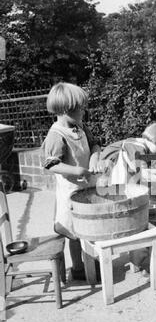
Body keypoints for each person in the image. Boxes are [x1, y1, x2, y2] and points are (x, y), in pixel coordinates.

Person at [42, 82, 101, 280]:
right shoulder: (57, 135)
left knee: (91, 226)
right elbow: (51, 165)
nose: (85, 111)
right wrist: (76, 170)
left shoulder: (80, 127)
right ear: (68, 109)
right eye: (81, 107)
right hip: (71, 191)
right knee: (74, 231)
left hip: (87, 186)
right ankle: (78, 268)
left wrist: (94, 158)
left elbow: (95, 145)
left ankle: (92, 262)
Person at [98, 122, 156, 273]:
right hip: (120, 187)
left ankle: (137, 261)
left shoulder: (139, 144)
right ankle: (139, 261)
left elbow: (152, 161)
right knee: (136, 222)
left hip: (123, 186)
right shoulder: (135, 146)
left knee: (135, 220)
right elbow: (140, 170)